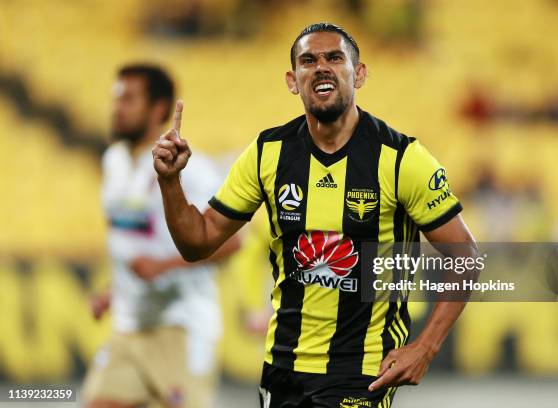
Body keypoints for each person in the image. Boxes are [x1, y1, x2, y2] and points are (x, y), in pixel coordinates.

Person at [152, 23, 477, 408]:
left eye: (335, 58)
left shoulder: (401, 159)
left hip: (361, 374)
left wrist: (425, 347)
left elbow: (466, 257)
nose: (321, 67)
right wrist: (171, 182)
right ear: (293, 81)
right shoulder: (267, 153)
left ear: (359, 74)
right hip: (282, 368)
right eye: (309, 61)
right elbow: (198, 241)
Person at [83, 64, 239, 408]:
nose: (117, 107)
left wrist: (164, 267)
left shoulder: (193, 170)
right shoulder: (114, 163)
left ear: (157, 109)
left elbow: (232, 241)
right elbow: (131, 239)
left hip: (181, 327)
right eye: (116, 99)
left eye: (128, 99)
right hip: (129, 327)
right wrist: (114, 290)